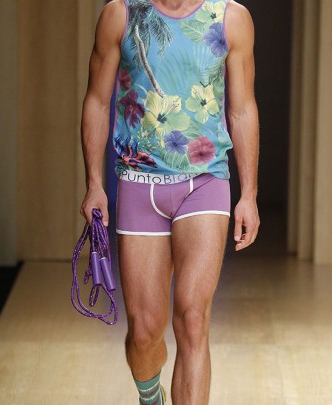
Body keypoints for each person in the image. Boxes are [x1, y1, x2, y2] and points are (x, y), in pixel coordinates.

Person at [79, 0, 259, 402]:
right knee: (144, 333)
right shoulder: (121, 15)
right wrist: (94, 183)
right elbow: (97, 100)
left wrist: (249, 194)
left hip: (205, 180)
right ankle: (150, 396)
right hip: (139, 182)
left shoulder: (230, 18)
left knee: (193, 319)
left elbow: (243, 107)